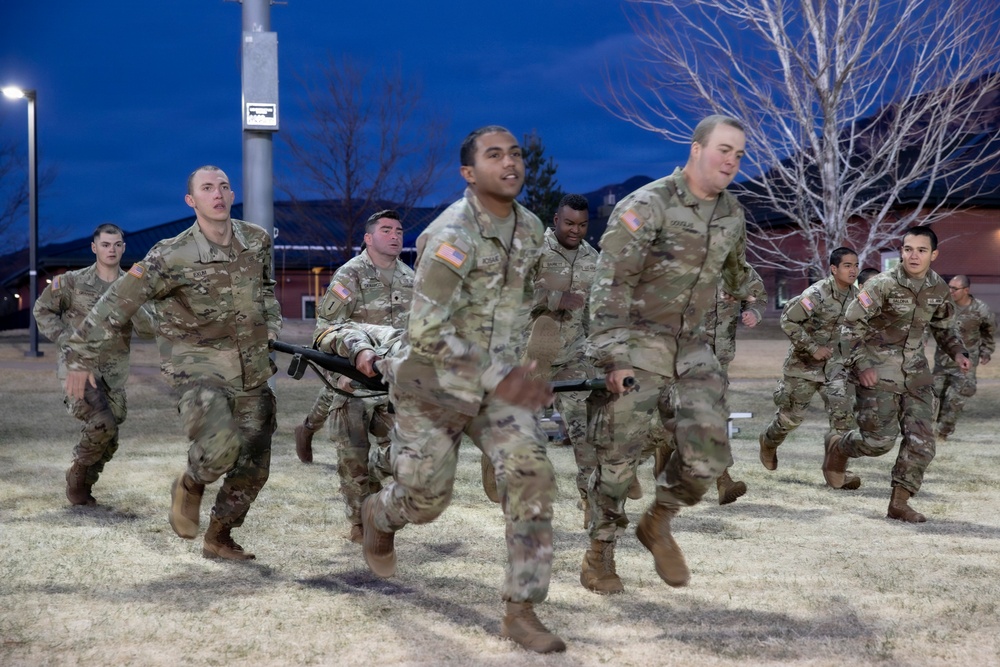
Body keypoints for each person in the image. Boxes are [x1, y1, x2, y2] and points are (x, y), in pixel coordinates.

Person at [359, 126, 565, 654]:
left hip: (496, 390)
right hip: (434, 383)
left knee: (533, 476)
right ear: (470, 174)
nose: (511, 162)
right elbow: (427, 331)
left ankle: (521, 609)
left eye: (516, 153)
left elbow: (531, 297)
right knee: (427, 500)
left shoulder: (531, 228)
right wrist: (505, 375)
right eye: (494, 155)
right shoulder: (451, 233)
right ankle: (379, 514)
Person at [65, 165, 281, 559]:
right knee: (219, 449)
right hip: (197, 368)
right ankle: (192, 483)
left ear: (232, 195)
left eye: (224, 186)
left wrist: (272, 326)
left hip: (251, 368)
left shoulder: (257, 240)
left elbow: (265, 289)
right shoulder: (170, 254)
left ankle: (219, 536)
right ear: (191, 200)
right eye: (207, 188)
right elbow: (116, 302)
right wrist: (80, 356)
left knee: (254, 464)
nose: (217, 193)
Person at [585, 115, 752, 595]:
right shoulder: (647, 204)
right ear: (696, 149)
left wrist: (751, 299)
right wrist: (614, 357)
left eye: (739, 154)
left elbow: (738, 269)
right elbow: (609, 284)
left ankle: (658, 519)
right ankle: (600, 554)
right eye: (724, 149)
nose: (731, 161)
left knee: (709, 453)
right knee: (617, 462)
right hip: (638, 344)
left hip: (694, 347)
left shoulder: (731, 212)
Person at [823, 226, 969, 522]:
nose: (914, 255)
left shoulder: (939, 288)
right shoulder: (881, 285)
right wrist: (861, 365)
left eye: (921, 250)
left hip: (916, 373)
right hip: (877, 370)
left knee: (923, 442)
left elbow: (945, 328)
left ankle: (899, 503)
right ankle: (839, 446)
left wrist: (958, 351)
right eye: (908, 249)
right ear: (901, 251)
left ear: (934, 254)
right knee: (879, 442)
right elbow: (850, 327)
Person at [305, 210, 414, 543]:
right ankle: (358, 521)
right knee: (352, 459)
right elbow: (325, 331)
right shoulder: (349, 275)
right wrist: (339, 375)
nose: (394, 235)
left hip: (391, 388)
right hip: (351, 383)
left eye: (398, 230)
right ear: (368, 238)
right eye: (385, 230)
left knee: (402, 455)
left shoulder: (412, 280)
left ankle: (376, 504)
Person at [33, 223, 156, 506]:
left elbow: (149, 331)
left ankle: (84, 488)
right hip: (78, 367)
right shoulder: (71, 282)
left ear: (123, 248)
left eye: (116, 245)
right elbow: (42, 310)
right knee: (102, 423)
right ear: (94, 247)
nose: (111, 250)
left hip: (112, 373)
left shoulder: (133, 285)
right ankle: (76, 480)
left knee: (110, 438)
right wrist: (68, 340)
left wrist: (132, 297)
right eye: (105, 244)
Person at [758, 247, 863, 488]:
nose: (853, 269)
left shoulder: (856, 297)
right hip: (803, 367)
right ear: (834, 269)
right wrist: (813, 347)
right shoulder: (816, 293)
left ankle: (836, 471)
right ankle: (769, 442)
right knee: (791, 419)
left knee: (843, 418)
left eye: (855, 265)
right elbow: (788, 320)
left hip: (835, 370)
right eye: (847, 265)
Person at [931, 275, 995, 440]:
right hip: (943, 361)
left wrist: (986, 351)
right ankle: (925, 431)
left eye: (954, 288)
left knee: (955, 398)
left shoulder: (981, 309)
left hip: (966, 363)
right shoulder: (944, 307)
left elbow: (989, 331)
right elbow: (929, 325)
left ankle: (942, 432)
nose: (950, 291)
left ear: (966, 290)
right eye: (949, 287)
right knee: (934, 396)